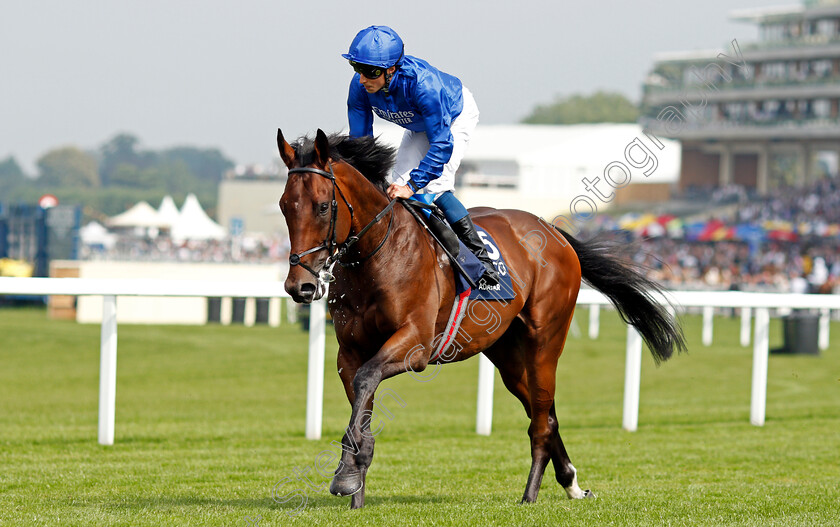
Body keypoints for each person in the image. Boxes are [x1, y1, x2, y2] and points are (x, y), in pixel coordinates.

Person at [342, 25, 500, 287]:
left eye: (370, 72)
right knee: (396, 184)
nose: (362, 79)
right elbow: (361, 142)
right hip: (419, 126)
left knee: (433, 186)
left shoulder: (424, 85)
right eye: (357, 68)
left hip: (453, 119)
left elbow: (441, 144)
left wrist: (413, 185)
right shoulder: (360, 87)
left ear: (391, 69)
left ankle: (483, 264)